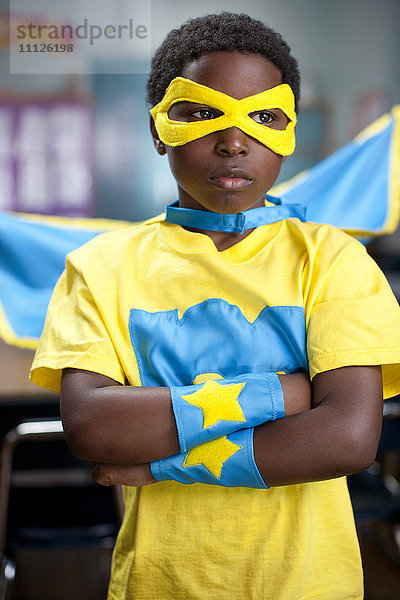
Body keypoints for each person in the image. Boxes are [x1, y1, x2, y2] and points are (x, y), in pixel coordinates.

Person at [30, 12, 400, 600]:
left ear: (289, 132)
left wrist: (157, 465)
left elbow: (347, 440)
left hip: (308, 583)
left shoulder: (333, 261)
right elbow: (93, 427)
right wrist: (281, 392)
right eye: (200, 114)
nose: (233, 140)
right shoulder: (100, 267)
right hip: (159, 584)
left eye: (263, 118)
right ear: (158, 129)